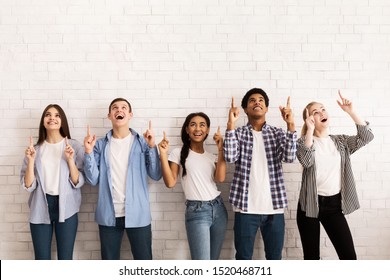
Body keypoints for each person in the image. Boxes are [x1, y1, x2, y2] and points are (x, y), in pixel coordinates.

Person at [296, 91, 374, 260]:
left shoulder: (341, 142)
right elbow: (307, 160)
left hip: (334, 206)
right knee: (311, 259)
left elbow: (367, 136)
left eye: (323, 109)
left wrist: (351, 112)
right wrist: (309, 130)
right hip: (309, 205)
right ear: (310, 120)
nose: (321, 113)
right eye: (315, 112)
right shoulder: (304, 142)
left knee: (348, 258)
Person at [83, 97, 162, 260]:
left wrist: (153, 146)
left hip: (138, 215)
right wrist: (89, 152)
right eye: (115, 108)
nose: (119, 110)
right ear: (109, 116)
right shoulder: (99, 145)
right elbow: (92, 180)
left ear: (130, 114)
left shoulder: (142, 142)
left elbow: (155, 174)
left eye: (124, 107)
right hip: (108, 216)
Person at [223, 88, 297, 260]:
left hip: (274, 208)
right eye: (252, 100)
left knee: (274, 258)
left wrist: (290, 125)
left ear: (266, 108)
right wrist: (230, 125)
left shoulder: (277, 133)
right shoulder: (238, 133)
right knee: (243, 258)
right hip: (245, 208)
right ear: (246, 109)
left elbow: (289, 157)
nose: (257, 102)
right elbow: (230, 156)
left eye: (261, 100)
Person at [158, 112, 228, 260]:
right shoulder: (178, 153)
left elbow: (220, 178)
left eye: (202, 125)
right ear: (187, 130)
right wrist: (163, 155)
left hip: (219, 209)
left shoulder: (212, 157)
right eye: (193, 124)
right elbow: (170, 182)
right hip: (197, 212)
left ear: (208, 130)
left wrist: (221, 149)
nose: (198, 129)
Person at [20, 104, 85, 260]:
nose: (52, 118)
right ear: (43, 121)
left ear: (62, 121)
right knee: (41, 259)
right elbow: (28, 186)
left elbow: (79, 181)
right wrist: (30, 161)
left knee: (65, 258)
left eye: (57, 115)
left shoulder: (74, 146)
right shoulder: (35, 149)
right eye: (48, 115)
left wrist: (70, 160)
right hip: (40, 206)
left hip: (67, 207)